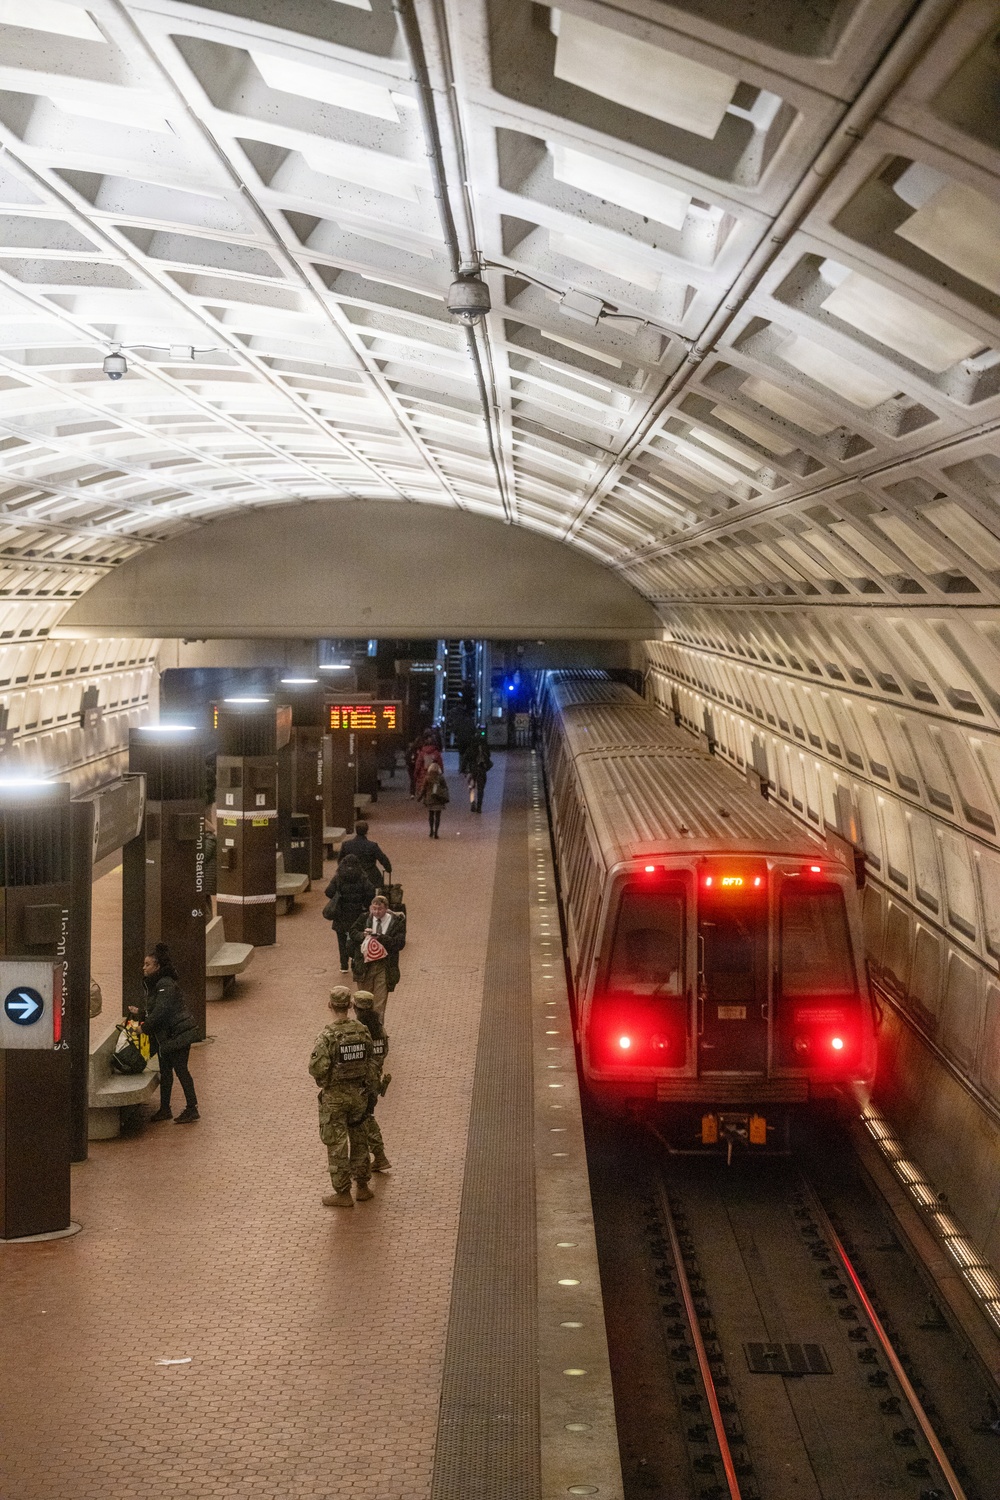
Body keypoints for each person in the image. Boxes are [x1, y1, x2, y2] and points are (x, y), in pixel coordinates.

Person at [308, 988, 376, 1207]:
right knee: (360, 1139)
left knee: (337, 1143)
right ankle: (363, 1187)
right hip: (359, 1094)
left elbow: (317, 1068)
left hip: (335, 1098)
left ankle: (343, 1192)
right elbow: (371, 1061)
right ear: (349, 1006)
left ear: (330, 1005)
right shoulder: (363, 1030)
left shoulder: (327, 1035)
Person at [132, 943, 201, 1123]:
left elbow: (162, 1011)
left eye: (147, 964)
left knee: (181, 1070)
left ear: (158, 967)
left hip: (178, 1034)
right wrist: (139, 1013)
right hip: (167, 1037)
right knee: (166, 1072)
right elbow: (155, 1009)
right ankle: (165, 1109)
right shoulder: (157, 984)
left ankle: (192, 1108)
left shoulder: (165, 984)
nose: (144, 967)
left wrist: (143, 1028)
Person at [349, 893, 406, 1022]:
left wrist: (381, 938)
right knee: (363, 1000)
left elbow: (400, 943)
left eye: (380, 909)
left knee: (379, 1002)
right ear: (370, 908)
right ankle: (363, 1029)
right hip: (365, 966)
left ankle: (378, 1029)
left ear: (386, 909)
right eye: (374, 909)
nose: (377, 912)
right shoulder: (364, 918)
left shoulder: (396, 922)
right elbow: (352, 932)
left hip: (384, 966)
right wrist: (363, 935)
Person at [352, 991, 392, 1175]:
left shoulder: (360, 1031)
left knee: (363, 1121)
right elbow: (382, 1054)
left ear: (356, 1008)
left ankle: (375, 1158)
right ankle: (378, 1157)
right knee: (368, 1117)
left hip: (361, 1083)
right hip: (375, 1080)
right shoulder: (379, 1030)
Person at [323, 852, 375, 972]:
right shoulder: (362, 877)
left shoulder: (338, 877)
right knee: (356, 938)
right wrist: (365, 904)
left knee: (341, 940)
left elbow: (328, 892)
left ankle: (343, 965)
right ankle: (355, 961)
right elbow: (371, 891)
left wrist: (338, 896)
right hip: (357, 914)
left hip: (341, 914)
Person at [338, 820, 392, 891]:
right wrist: (389, 869)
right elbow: (383, 859)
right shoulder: (372, 846)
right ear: (366, 831)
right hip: (370, 877)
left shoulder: (346, 845)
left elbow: (340, 861)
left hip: (352, 876)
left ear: (356, 830)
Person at [419, 760, 449, 838]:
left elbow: (423, 789)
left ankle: (431, 830)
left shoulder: (427, 777)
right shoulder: (441, 778)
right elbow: (445, 787)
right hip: (439, 799)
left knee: (431, 815)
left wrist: (420, 797)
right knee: (438, 816)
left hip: (430, 799)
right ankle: (436, 832)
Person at [413, 732, 443, 799]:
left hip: (423, 773)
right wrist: (441, 771)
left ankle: (423, 796)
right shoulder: (436, 753)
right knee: (433, 785)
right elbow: (440, 763)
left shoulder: (422, 753)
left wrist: (416, 772)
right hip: (434, 773)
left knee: (423, 785)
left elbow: (418, 763)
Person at [467, 738, 493, 814]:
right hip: (482, 771)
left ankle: (472, 801)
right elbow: (489, 756)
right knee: (480, 789)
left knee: (472, 786)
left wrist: (463, 770)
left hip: (473, 771)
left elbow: (466, 759)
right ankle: (479, 807)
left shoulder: (470, 748)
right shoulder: (484, 748)